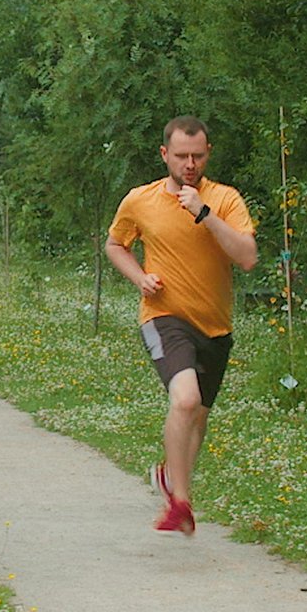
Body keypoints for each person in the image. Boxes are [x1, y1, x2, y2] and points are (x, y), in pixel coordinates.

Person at [103, 116, 258, 535]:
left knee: (199, 418)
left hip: (215, 327)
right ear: (165, 155)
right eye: (182, 156)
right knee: (185, 401)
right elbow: (115, 244)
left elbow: (246, 257)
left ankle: (171, 477)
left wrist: (204, 213)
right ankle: (181, 504)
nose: (190, 164)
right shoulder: (140, 199)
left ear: (207, 154)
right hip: (164, 316)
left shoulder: (224, 199)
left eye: (198, 156)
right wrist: (139, 278)